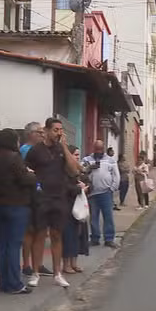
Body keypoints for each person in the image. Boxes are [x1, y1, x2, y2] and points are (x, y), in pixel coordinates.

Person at [25, 117, 80, 289]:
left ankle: (58, 273)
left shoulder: (61, 150)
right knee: (40, 234)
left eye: (60, 130)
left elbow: (74, 170)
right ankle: (35, 272)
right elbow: (27, 170)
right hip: (41, 198)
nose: (59, 133)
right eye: (55, 130)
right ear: (47, 131)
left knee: (57, 235)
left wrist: (64, 147)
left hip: (59, 197)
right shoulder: (35, 151)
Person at [0, 128, 35, 294]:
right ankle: (15, 283)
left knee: (3, 244)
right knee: (14, 245)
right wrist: (32, 174)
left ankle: (4, 282)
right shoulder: (14, 157)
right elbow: (24, 179)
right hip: (17, 204)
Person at [19, 121, 52, 278]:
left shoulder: (40, 149)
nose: (42, 134)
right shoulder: (26, 150)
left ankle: (37, 263)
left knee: (40, 231)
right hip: (31, 195)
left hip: (41, 194)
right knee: (30, 231)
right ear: (30, 134)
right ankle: (27, 264)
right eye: (39, 132)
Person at [83, 140, 120, 248]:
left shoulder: (110, 161)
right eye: (96, 149)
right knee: (93, 217)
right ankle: (95, 238)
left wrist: (112, 188)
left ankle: (109, 239)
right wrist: (89, 168)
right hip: (92, 193)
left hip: (106, 193)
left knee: (108, 216)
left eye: (100, 149)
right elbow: (81, 172)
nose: (98, 151)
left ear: (103, 148)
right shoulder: (87, 159)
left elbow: (116, 175)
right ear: (93, 148)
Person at [63, 146, 91, 274]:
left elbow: (90, 184)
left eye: (78, 155)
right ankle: (66, 264)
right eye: (74, 155)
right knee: (68, 235)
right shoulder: (65, 171)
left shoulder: (80, 170)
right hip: (68, 207)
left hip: (80, 207)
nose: (77, 157)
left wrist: (85, 187)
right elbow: (66, 188)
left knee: (79, 235)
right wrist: (79, 189)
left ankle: (74, 262)